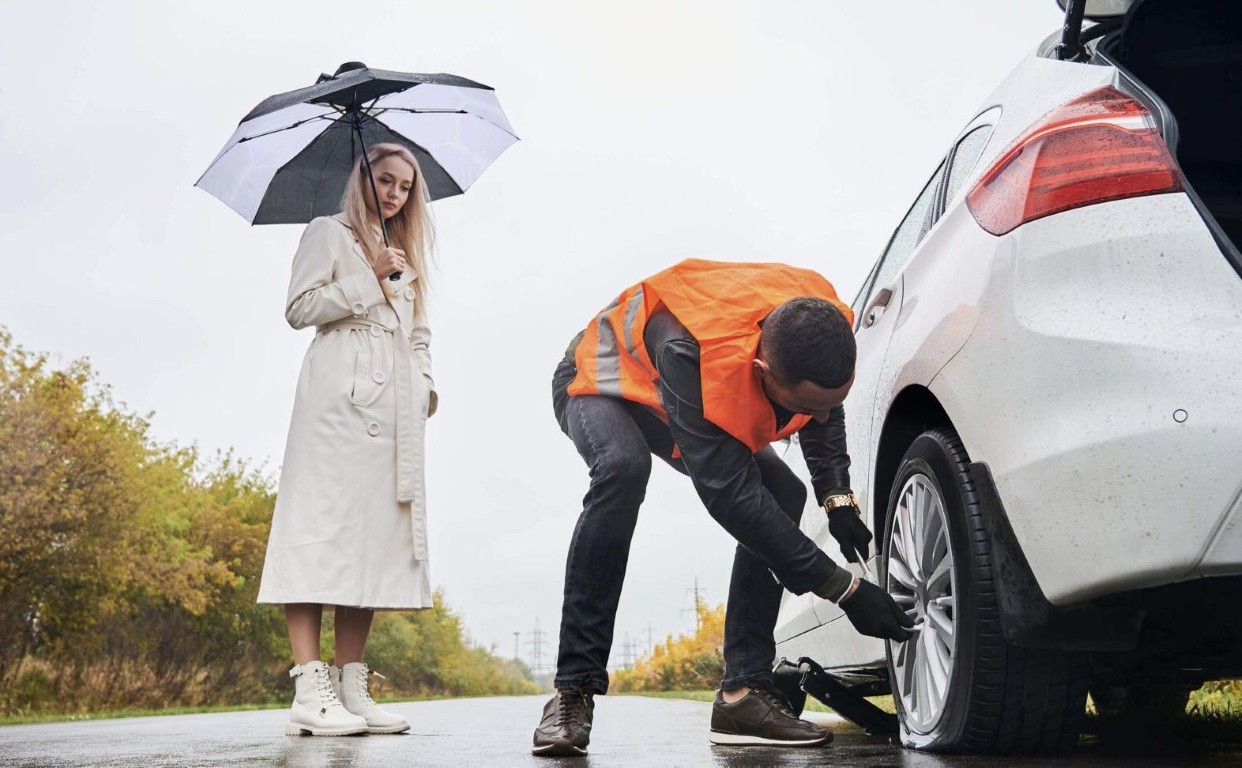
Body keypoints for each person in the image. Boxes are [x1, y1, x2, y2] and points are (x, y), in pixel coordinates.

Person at [532, 258, 914, 756]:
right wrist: (845, 590)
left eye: (829, 403)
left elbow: (823, 408)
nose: (817, 417)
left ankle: (742, 695)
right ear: (762, 370)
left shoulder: (820, 322)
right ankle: (572, 693)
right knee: (623, 470)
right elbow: (730, 498)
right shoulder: (690, 350)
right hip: (602, 380)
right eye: (806, 406)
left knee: (784, 493)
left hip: (681, 381)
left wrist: (836, 497)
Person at [256, 143, 438, 737]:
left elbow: (419, 333)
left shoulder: (404, 254)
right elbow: (299, 307)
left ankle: (351, 686)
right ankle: (310, 689)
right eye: (385, 180)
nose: (394, 194)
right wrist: (368, 279)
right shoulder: (326, 233)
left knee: (372, 541)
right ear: (363, 178)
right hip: (336, 401)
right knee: (320, 530)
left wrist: (425, 389)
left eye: (405, 186)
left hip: (394, 409)